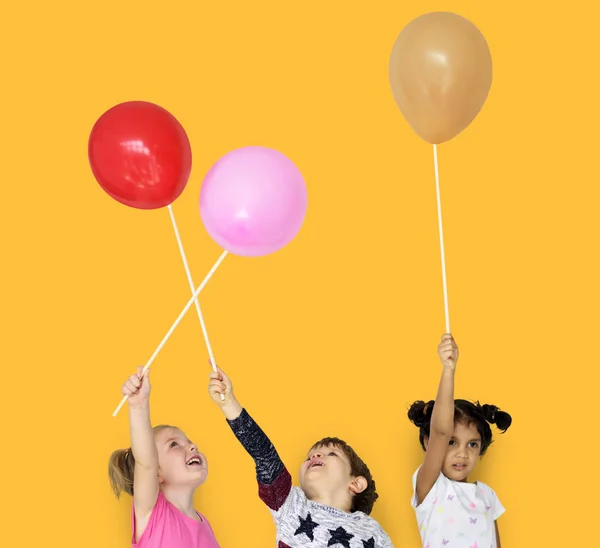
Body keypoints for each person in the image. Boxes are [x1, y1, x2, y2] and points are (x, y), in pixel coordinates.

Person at [208, 367, 393, 547]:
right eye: (309, 457)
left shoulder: (372, 531)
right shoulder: (291, 505)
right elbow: (264, 454)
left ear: (356, 483)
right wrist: (229, 403)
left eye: (331, 454)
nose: (315, 455)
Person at [408, 334, 512, 547]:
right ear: (429, 443)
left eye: (472, 444)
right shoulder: (432, 488)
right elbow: (440, 431)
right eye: (452, 442)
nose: (462, 454)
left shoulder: (487, 495)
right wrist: (448, 370)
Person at [109, 367, 220, 547]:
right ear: (157, 473)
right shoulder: (153, 513)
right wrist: (138, 405)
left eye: (189, 441)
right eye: (174, 444)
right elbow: (146, 462)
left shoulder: (205, 524)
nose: (193, 446)